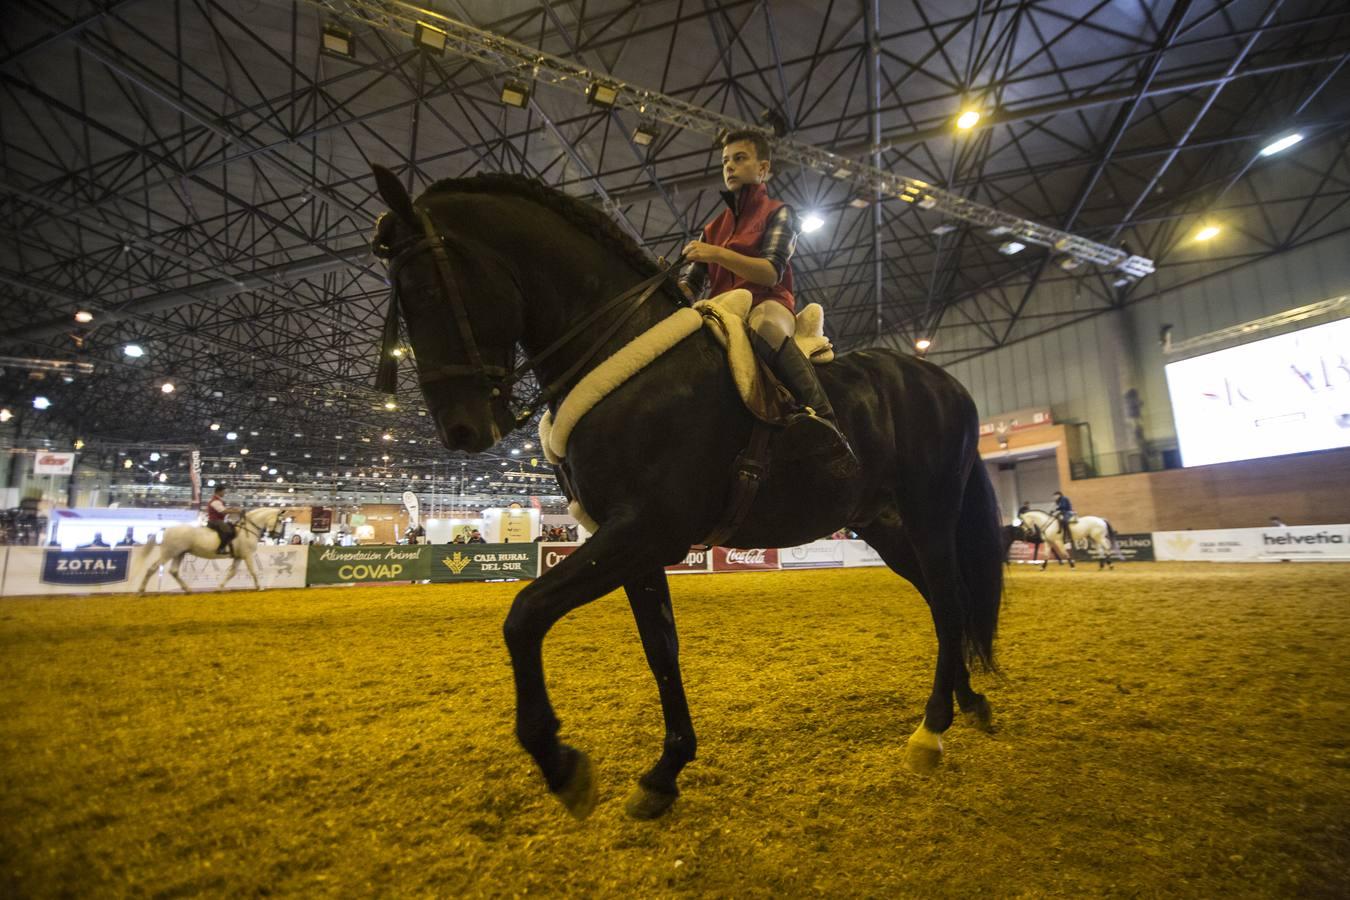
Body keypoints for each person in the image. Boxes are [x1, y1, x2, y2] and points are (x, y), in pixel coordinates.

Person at [679, 130, 855, 469]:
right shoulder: (712, 227)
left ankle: (825, 420)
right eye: (725, 161)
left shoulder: (779, 212)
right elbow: (691, 285)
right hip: (721, 310)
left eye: (740, 158)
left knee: (764, 327)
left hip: (767, 300)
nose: (730, 166)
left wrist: (716, 253)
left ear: (763, 169)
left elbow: (771, 271)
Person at [205, 485, 235, 555]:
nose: (224, 493)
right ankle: (220, 549)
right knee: (228, 531)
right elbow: (223, 511)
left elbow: (224, 510)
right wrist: (236, 511)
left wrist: (232, 510)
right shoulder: (215, 501)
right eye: (223, 492)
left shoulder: (217, 500)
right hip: (215, 521)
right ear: (219, 492)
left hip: (217, 520)